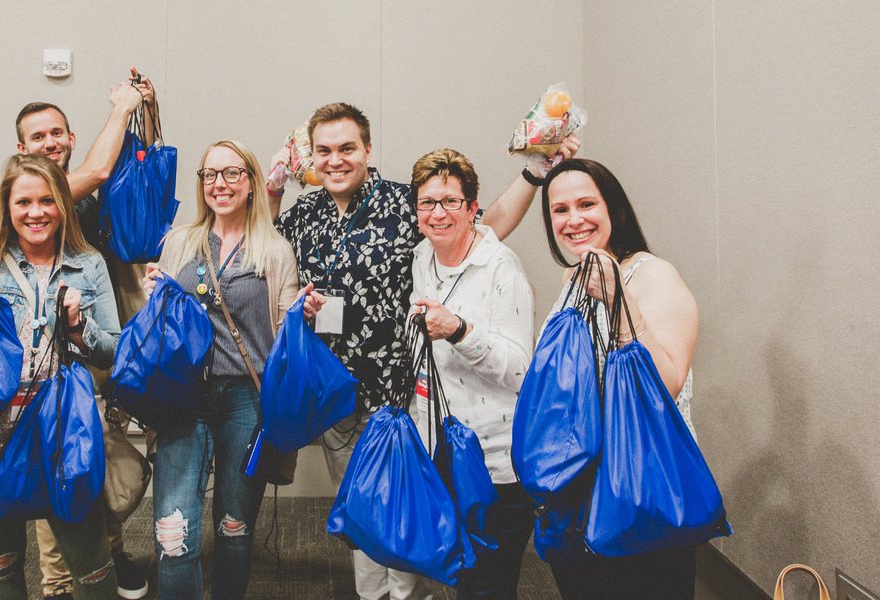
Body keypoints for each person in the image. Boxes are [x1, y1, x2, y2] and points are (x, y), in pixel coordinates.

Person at [269, 101, 579, 600]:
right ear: (313, 156)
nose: (336, 160)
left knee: (411, 519)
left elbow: (485, 224)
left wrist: (534, 173)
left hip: (400, 398)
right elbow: (270, 249)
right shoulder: (306, 213)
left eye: (347, 148)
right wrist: (273, 192)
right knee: (365, 518)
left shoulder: (404, 204)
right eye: (324, 150)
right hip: (337, 397)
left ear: (368, 149)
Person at [0, 154, 122, 599]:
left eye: (47, 201)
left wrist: (79, 326)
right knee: (0, 566)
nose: (36, 212)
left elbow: (113, 351)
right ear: (7, 207)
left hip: (59, 438)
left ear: (63, 205)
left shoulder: (89, 265)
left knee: (93, 570)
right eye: (24, 202)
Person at [14, 70, 156, 600]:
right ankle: (57, 583)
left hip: (107, 340)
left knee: (104, 457)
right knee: (61, 463)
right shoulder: (38, 194)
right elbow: (99, 168)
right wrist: (121, 106)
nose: (50, 142)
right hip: (57, 353)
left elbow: (123, 167)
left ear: (71, 137)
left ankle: (108, 551)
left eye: (57, 133)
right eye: (38, 136)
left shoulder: (90, 195)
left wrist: (143, 108)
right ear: (21, 149)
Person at [143, 140, 301, 599]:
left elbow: (286, 335)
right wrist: (155, 296)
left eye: (232, 173)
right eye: (210, 175)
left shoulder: (274, 250)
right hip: (184, 395)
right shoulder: (180, 242)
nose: (220, 184)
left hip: (245, 398)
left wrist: (303, 315)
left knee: (235, 529)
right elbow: (160, 324)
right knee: (173, 534)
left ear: (251, 182)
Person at [537, 158, 700, 599]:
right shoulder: (574, 279)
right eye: (559, 209)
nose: (573, 220)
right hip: (579, 493)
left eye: (586, 204)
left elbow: (665, 384)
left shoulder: (652, 275)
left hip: (642, 491)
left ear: (614, 208)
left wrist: (618, 302)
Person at [405, 148, 536, 599]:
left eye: (450, 201)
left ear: (472, 208)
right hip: (443, 452)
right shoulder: (423, 256)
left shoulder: (501, 268)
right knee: (463, 578)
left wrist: (459, 330)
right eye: (427, 202)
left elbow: (520, 371)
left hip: (494, 465)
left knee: (489, 587)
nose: (437, 213)